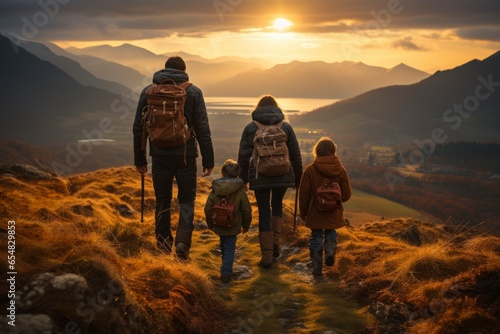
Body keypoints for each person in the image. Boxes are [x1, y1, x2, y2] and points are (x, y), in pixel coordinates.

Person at [133, 56, 214, 261]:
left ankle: (162, 244)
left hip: (159, 155)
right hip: (186, 155)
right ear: (184, 70)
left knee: (162, 200)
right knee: (187, 200)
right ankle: (182, 244)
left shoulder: (149, 91)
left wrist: (140, 160)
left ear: (165, 69)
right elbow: (203, 128)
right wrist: (208, 160)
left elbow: (138, 128)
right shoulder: (193, 92)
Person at [237, 95, 303, 268]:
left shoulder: (251, 127)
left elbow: (243, 157)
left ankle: (266, 256)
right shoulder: (285, 127)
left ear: (258, 108)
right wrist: (299, 178)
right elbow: (295, 154)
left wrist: (243, 180)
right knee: (277, 205)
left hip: (260, 176)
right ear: (276, 108)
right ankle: (275, 245)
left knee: (264, 210)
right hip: (283, 174)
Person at [298, 137, 351, 282]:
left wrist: (304, 213)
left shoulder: (310, 170)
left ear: (317, 151)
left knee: (315, 237)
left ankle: (317, 272)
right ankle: (330, 251)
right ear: (333, 151)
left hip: (315, 212)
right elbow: (346, 195)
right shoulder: (340, 170)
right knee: (331, 232)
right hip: (334, 212)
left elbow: (304, 195)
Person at [204, 159, 252, 283]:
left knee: (223, 245)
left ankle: (224, 268)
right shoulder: (240, 191)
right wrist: (245, 226)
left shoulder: (216, 189)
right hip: (233, 225)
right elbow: (247, 210)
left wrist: (211, 224)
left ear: (223, 173)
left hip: (218, 224)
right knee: (230, 247)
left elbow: (208, 208)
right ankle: (226, 273)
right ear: (237, 174)